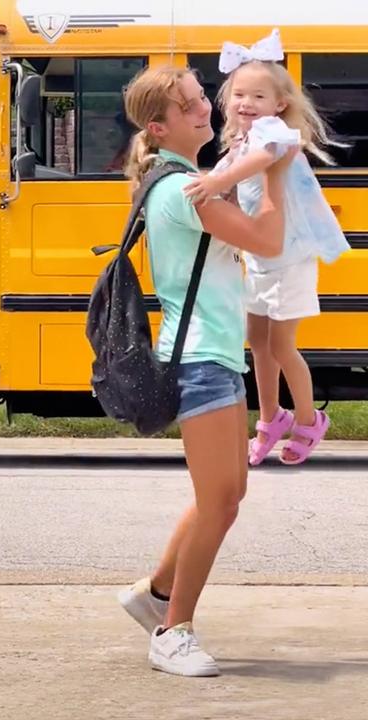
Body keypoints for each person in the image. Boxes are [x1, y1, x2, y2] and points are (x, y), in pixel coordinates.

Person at [115, 65, 292, 676]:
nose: (206, 111)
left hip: (211, 352)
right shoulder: (183, 191)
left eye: (200, 100)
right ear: (160, 127)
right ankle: (173, 631)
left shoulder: (193, 180)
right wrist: (276, 167)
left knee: (226, 494)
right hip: (200, 357)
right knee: (219, 501)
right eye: (191, 106)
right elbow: (268, 240)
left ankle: (156, 593)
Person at [182, 28, 350, 465]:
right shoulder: (240, 141)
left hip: (290, 257)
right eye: (239, 95)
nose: (246, 104)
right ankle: (271, 416)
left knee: (281, 345)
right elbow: (234, 175)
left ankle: (309, 420)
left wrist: (217, 181)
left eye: (258, 97)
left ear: (279, 105)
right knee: (256, 340)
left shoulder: (274, 134)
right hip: (260, 257)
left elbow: (261, 162)